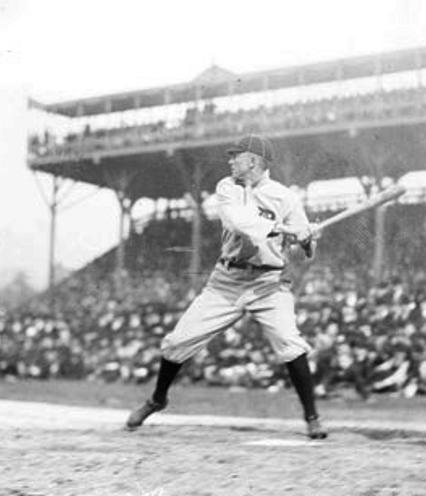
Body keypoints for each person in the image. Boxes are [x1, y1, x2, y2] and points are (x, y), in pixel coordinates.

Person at [125, 134, 327, 439]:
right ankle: (158, 399)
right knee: (177, 342)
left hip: (268, 283)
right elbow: (238, 223)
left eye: (236, 156)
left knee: (290, 342)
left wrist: (307, 239)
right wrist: (285, 228)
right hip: (226, 281)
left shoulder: (285, 197)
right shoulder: (227, 187)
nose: (230, 160)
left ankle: (312, 418)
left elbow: (301, 251)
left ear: (254, 161)